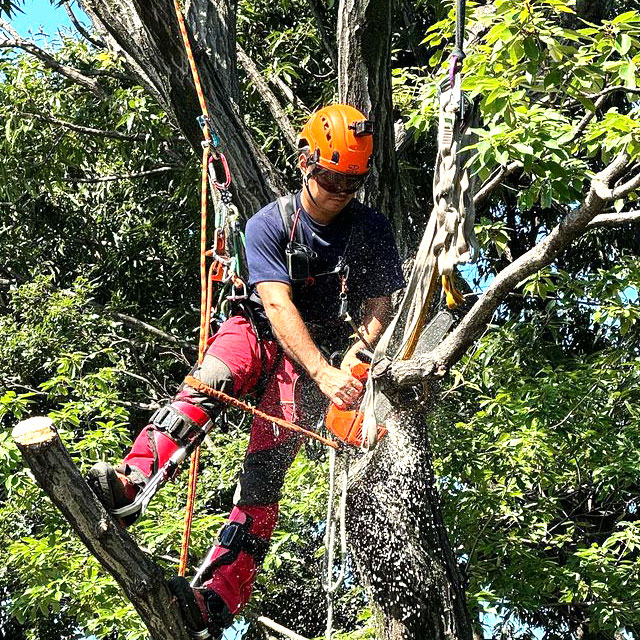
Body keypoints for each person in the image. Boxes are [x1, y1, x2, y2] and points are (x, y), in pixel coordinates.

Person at [87, 104, 405, 639]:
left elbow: (380, 301)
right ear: (306, 163)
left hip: (317, 357)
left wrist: (359, 350)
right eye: (330, 177)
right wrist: (325, 373)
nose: (339, 190)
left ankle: (216, 596)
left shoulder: (370, 229)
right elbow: (277, 305)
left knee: (262, 477)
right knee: (208, 381)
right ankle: (133, 482)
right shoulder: (269, 224)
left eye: (351, 181)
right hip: (258, 329)